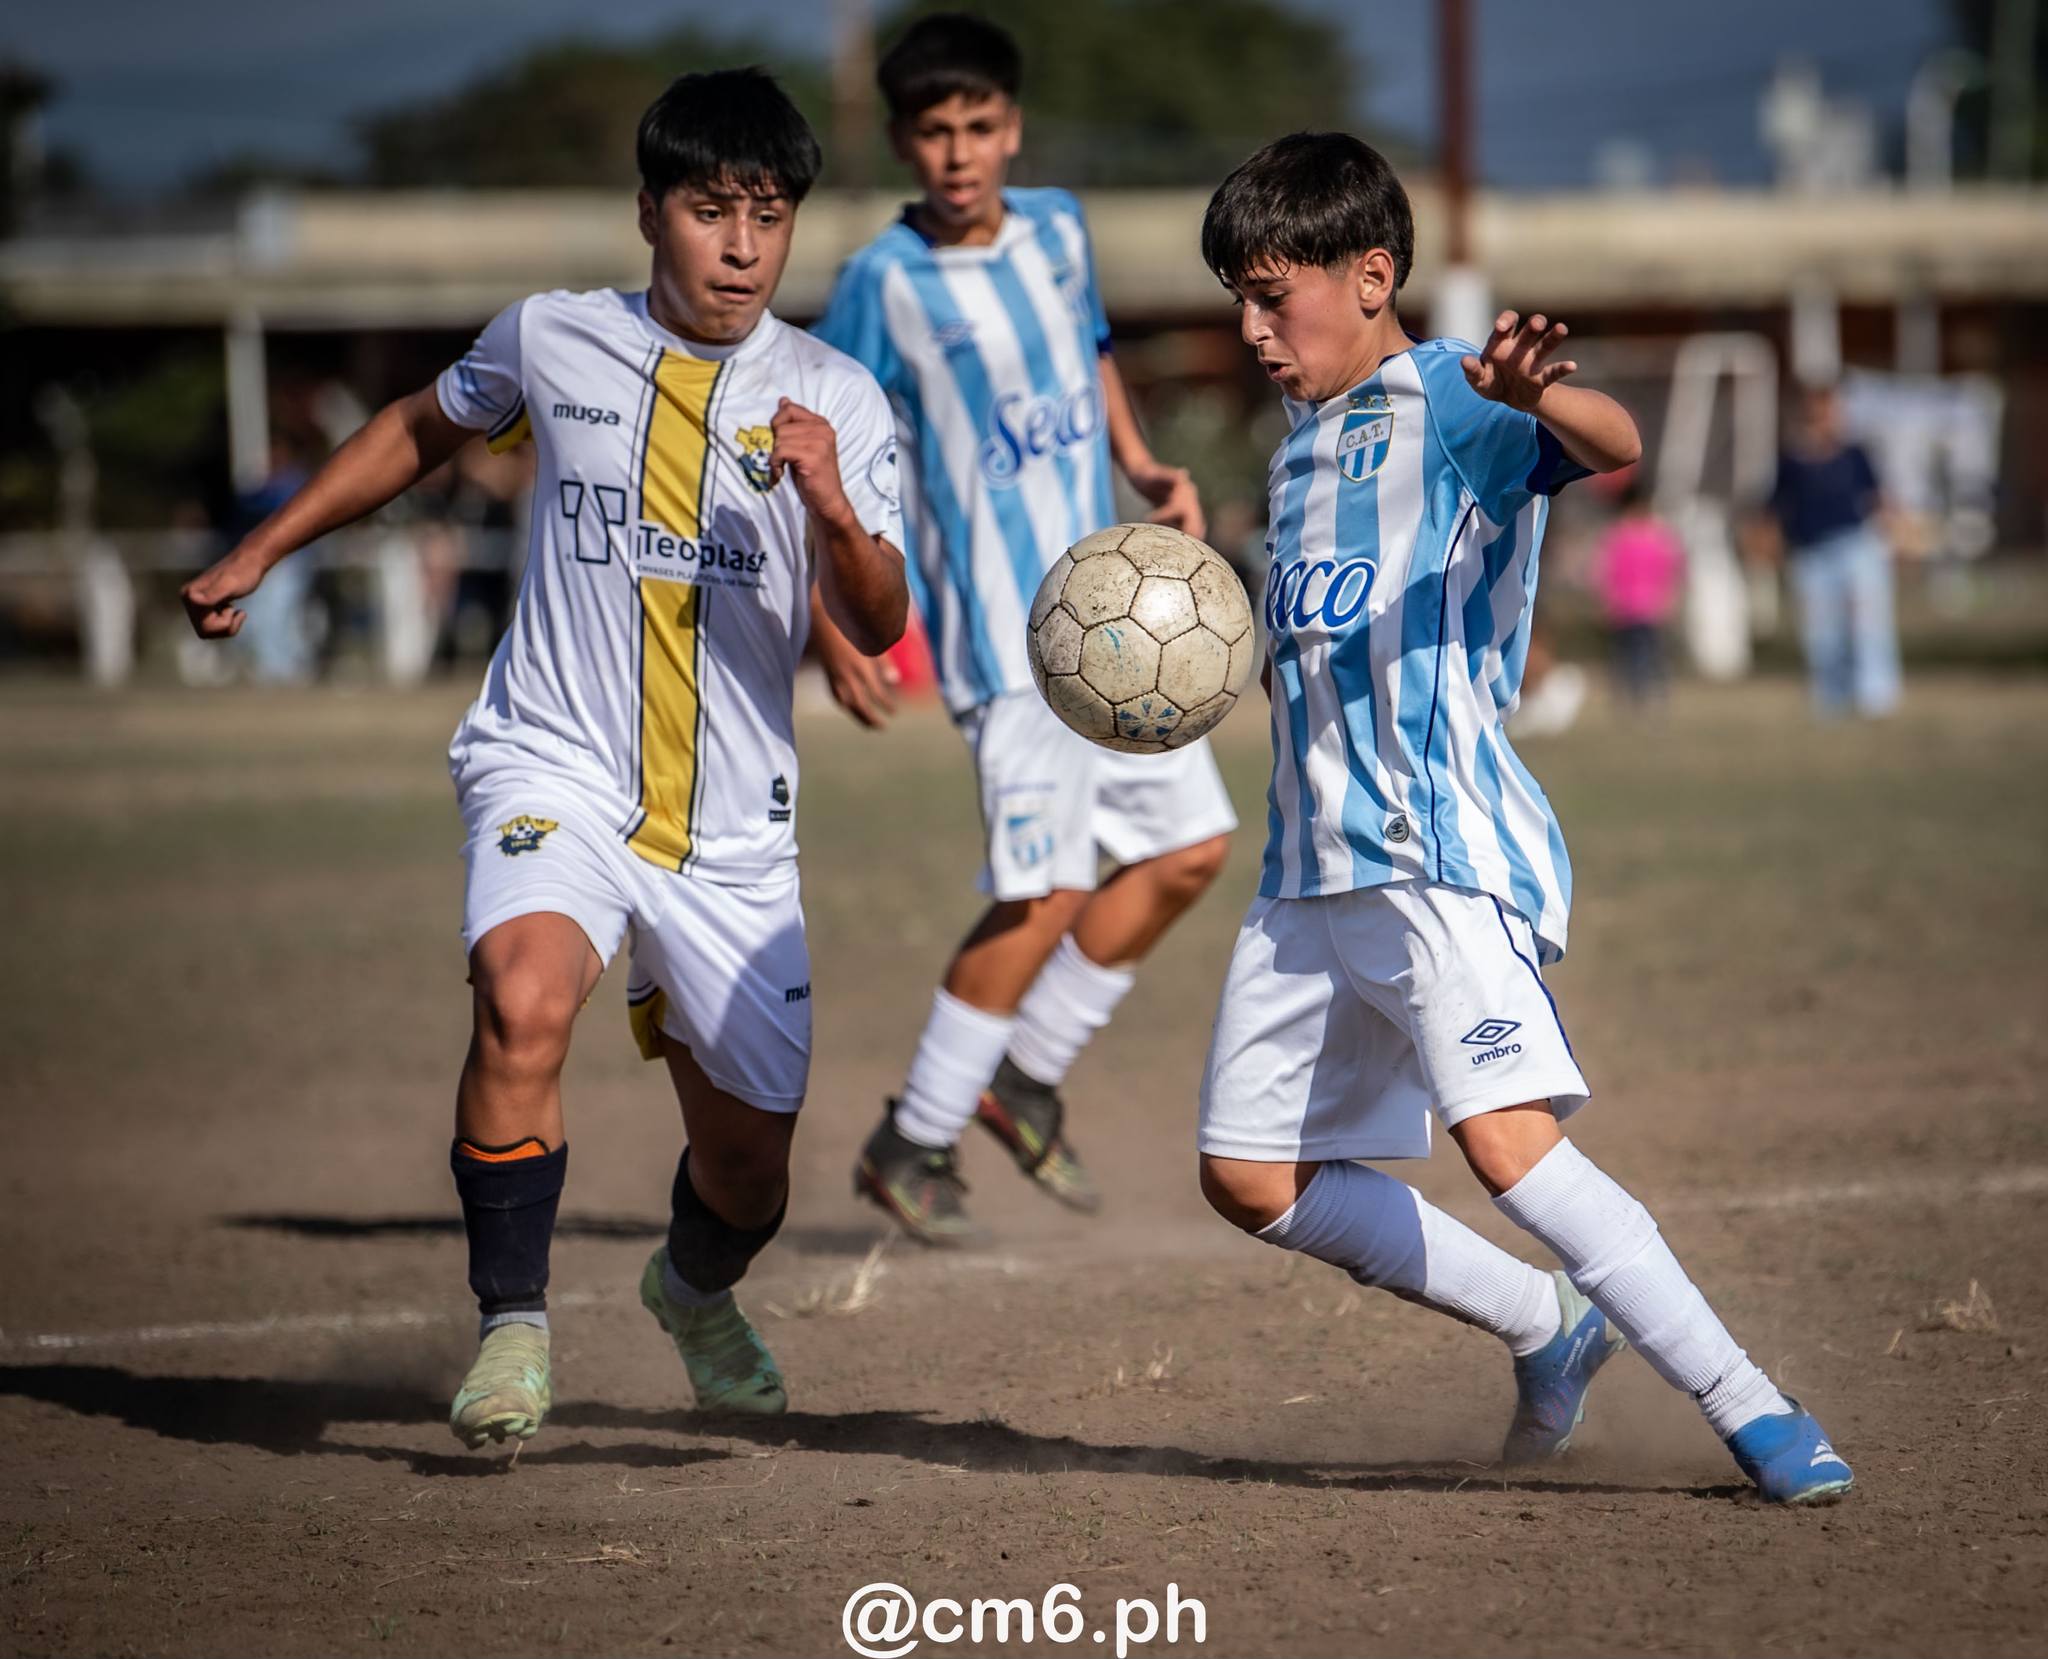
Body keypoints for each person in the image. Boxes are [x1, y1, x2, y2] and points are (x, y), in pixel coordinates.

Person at [178, 69, 907, 1449]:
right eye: (711, 211)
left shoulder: (836, 396)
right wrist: (266, 546)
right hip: (550, 760)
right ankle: (512, 1326)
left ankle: (692, 1290)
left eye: (770, 216)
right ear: (651, 212)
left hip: (730, 828)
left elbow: (882, 614)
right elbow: (418, 428)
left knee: (750, 1166)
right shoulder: (551, 339)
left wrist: (829, 505)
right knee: (520, 1001)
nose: (744, 246)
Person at [1193, 132, 1853, 1504]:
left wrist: (1539, 397)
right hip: (1306, 872)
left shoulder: (1456, 400)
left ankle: (1754, 1402)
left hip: (1436, 850)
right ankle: (1548, 1322)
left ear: (1373, 274)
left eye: (1274, 294)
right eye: (1239, 302)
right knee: (1249, 1174)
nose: (1254, 329)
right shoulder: (1300, 458)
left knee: (1508, 1146)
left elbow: (1613, 446)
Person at [809, 13, 1236, 1243]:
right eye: (932, 133)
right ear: (899, 141)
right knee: (1043, 891)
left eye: (978, 127)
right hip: (1007, 646)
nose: (957, 154)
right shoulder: (879, 286)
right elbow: (815, 451)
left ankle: (1021, 1075)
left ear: (1011, 127)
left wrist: (1142, 464)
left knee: (1190, 850)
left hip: (1113, 618)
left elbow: (1088, 350)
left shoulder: (1056, 229)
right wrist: (833, 622)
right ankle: (913, 1138)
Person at [1764, 383, 1900, 717]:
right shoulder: (1791, 460)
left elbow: (1878, 499)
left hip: (1857, 546)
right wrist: (1768, 545)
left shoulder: (1855, 454)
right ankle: (1830, 700)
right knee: (1821, 631)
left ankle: (1875, 697)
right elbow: (1774, 509)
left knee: (1869, 625)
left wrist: (1896, 535)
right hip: (1811, 552)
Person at [1594, 478, 1684, 705]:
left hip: (1647, 608)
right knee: (1631, 655)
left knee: (1648, 654)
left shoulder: (1637, 535)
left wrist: (1671, 598)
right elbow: (1606, 571)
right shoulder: (1647, 535)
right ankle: (1636, 695)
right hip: (1628, 608)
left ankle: (1649, 694)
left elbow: (1671, 571)